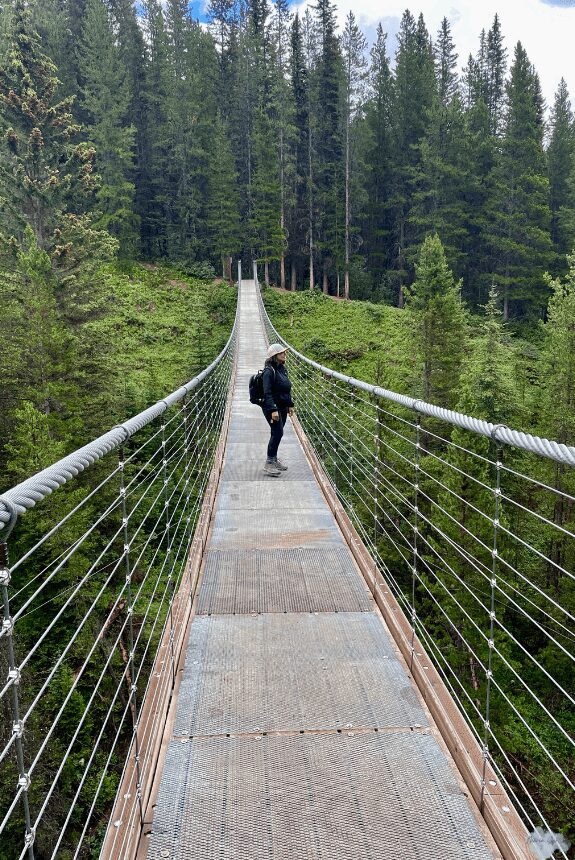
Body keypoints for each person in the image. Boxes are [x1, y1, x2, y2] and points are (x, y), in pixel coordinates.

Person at [262, 343, 294, 477]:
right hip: (272, 407)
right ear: (274, 356)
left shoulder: (282, 369)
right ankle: (269, 463)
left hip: (282, 406)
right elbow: (267, 393)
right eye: (281, 353)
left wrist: (290, 404)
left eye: (284, 353)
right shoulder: (269, 371)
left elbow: (286, 388)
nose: (284, 355)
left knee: (277, 433)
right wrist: (273, 410)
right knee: (278, 432)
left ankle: (274, 459)